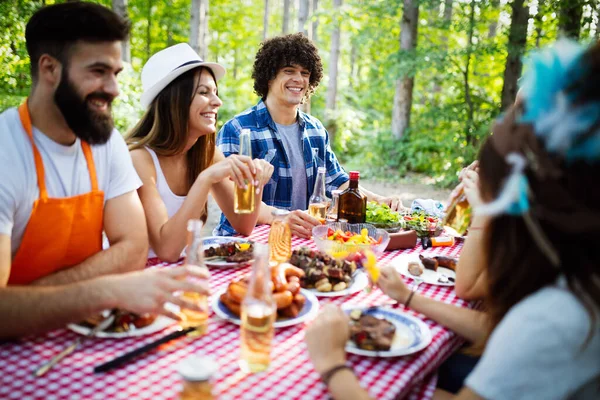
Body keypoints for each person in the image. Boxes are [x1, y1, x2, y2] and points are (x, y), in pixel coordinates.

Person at [305, 39, 600, 400]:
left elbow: (481, 299)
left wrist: (332, 363)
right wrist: (408, 296)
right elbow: (498, 330)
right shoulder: (572, 284)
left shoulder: (556, 320)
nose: (499, 126)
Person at [0, 3, 208, 338]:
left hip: (86, 335)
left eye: (116, 74)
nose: (114, 89)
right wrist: (102, 290)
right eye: (98, 72)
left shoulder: (105, 141)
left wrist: (30, 298)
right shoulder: (6, 151)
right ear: (50, 68)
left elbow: (134, 249)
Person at [215, 33, 403, 238]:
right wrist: (281, 217)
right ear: (269, 76)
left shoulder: (315, 130)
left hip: (299, 241)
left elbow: (338, 181)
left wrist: (378, 200)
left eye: (305, 73)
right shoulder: (237, 130)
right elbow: (234, 200)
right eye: (289, 71)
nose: (298, 79)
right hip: (244, 246)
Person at [126, 43, 274, 262]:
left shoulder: (206, 153)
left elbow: (243, 225)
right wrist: (205, 179)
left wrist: (255, 183)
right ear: (174, 100)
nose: (217, 102)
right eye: (204, 93)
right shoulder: (140, 158)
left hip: (178, 272)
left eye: (215, 92)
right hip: (139, 277)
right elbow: (167, 250)